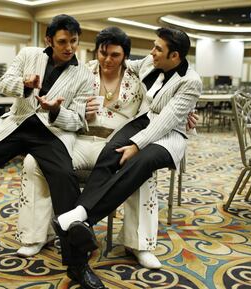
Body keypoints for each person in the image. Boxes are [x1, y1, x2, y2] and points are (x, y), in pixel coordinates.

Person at [0, 14, 105, 289]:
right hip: (16, 124)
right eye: (62, 41)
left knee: (64, 179)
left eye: (73, 41)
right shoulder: (29, 54)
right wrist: (25, 84)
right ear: (49, 40)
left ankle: (77, 265)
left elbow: (78, 120)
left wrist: (57, 110)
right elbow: (4, 82)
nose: (69, 47)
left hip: (51, 132)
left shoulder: (83, 74)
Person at [52, 27, 202, 281]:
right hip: (144, 122)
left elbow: (165, 122)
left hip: (169, 136)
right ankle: (78, 216)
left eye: (158, 49)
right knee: (111, 152)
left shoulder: (191, 81)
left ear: (174, 56)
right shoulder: (148, 62)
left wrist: (137, 145)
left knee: (138, 162)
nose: (151, 52)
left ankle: (85, 220)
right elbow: (122, 61)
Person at [16, 26, 163, 269]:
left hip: (116, 146)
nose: (107, 60)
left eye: (115, 55)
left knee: (144, 170)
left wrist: (186, 116)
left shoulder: (139, 78)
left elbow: (156, 109)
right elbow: (57, 106)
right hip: (79, 139)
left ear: (125, 55)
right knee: (34, 162)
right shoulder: (79, 72)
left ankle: (139, 244)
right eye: (103, 53)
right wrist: (77, 111)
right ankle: (36, 236)